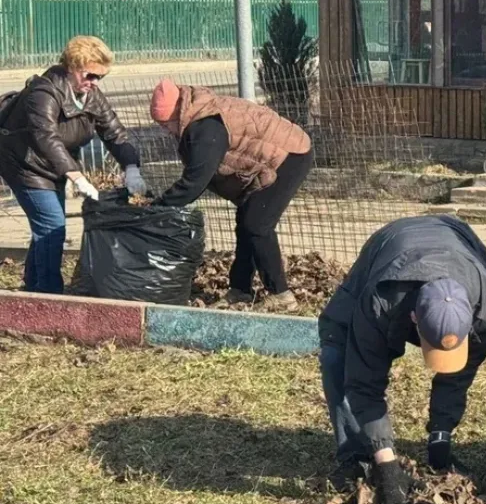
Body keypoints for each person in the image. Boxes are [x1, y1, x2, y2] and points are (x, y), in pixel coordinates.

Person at [318, 215, 486, 504]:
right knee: (335, 352)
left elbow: (462, 368)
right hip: (389, 248)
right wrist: (388, 465)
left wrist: (440, 434)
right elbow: (365, 381)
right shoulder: (380, 300)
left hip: (457, 241)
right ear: (414, 321)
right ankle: (359, 457)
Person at [148, 79, 313, 312]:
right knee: (247, 222)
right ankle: (240, 291)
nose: (165, 130)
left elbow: (195, 181)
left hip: (290, 154)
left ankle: (281, 295)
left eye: (166, 124)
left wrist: (158, 208)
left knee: (257, 225)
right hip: (271, 155)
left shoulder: (206, 127)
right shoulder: (198, 113)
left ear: (177, 111)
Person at [0, 36, 146, 294]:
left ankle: (34, 288)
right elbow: (45, 136)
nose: (94, 82)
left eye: (100, 77)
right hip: (23, 164)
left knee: (46, 226)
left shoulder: (91, 96)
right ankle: (50, 295)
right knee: (52, 225)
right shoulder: (44, 93)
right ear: (72, 67)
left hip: (53, 166)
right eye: (89, 75)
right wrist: (76, 176)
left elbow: (114, 133)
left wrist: (131, 166)